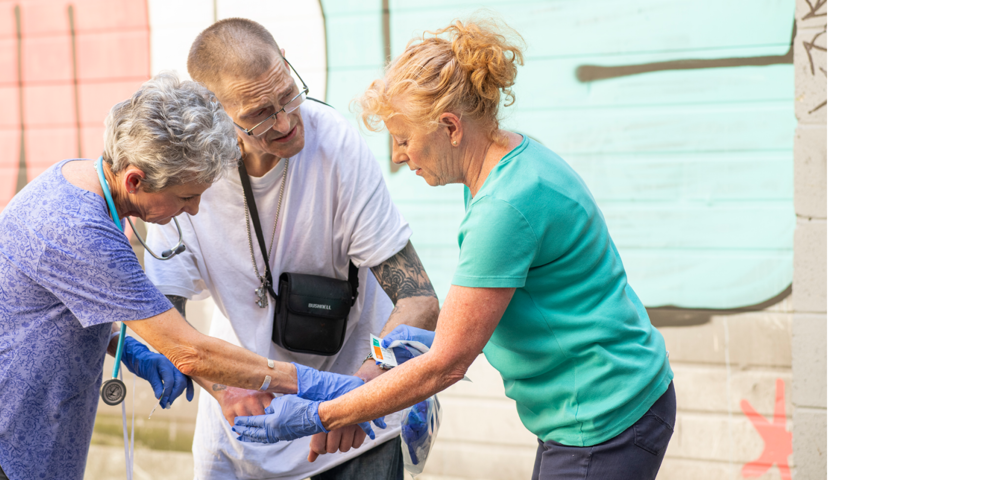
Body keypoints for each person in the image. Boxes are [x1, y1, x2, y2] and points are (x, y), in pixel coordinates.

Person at [234, 18, 677, 480]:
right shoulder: (510, 162)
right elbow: (474, 316)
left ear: (450, 127)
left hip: (606, 416)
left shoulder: (505, 206)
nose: (400, 157)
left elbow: (446, 364)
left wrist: (324, 414)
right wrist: (406, 352)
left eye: (404, 140)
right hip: (601, 400)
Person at [0, 73, 381, 480]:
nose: (192, 210)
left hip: (35, 425)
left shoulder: (80, 184)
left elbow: (58, 309)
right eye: (187, 197)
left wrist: (130, 348)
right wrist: (330, 389)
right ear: (136, 180)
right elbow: (191, 351)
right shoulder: (77, 227)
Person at [144, 18, 442, 480]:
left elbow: (419, 300)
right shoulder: (185, 176)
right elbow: (166, 318)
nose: (285, 121)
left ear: (285, 61)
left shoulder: (334, 143)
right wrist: (224, 388)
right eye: (260, 114)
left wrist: (362, 391)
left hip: (357, 430)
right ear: (214, 113)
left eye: (288, 94)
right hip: (244, 424)